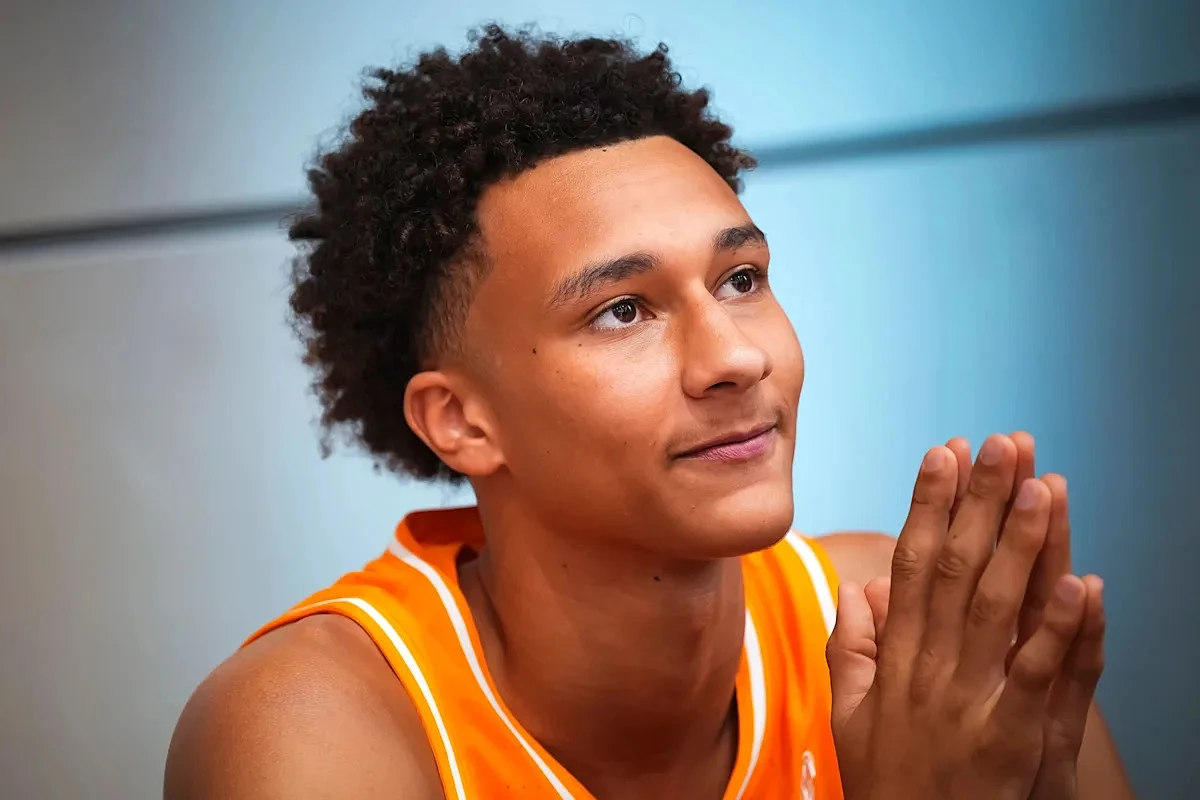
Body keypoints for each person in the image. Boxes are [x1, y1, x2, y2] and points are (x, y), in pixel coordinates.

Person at [164, 26, 1135, 799]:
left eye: (741, 278)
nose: (736, 356)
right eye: (622, 309)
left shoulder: (917, 644)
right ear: (461, 420)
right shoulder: (307, 723)